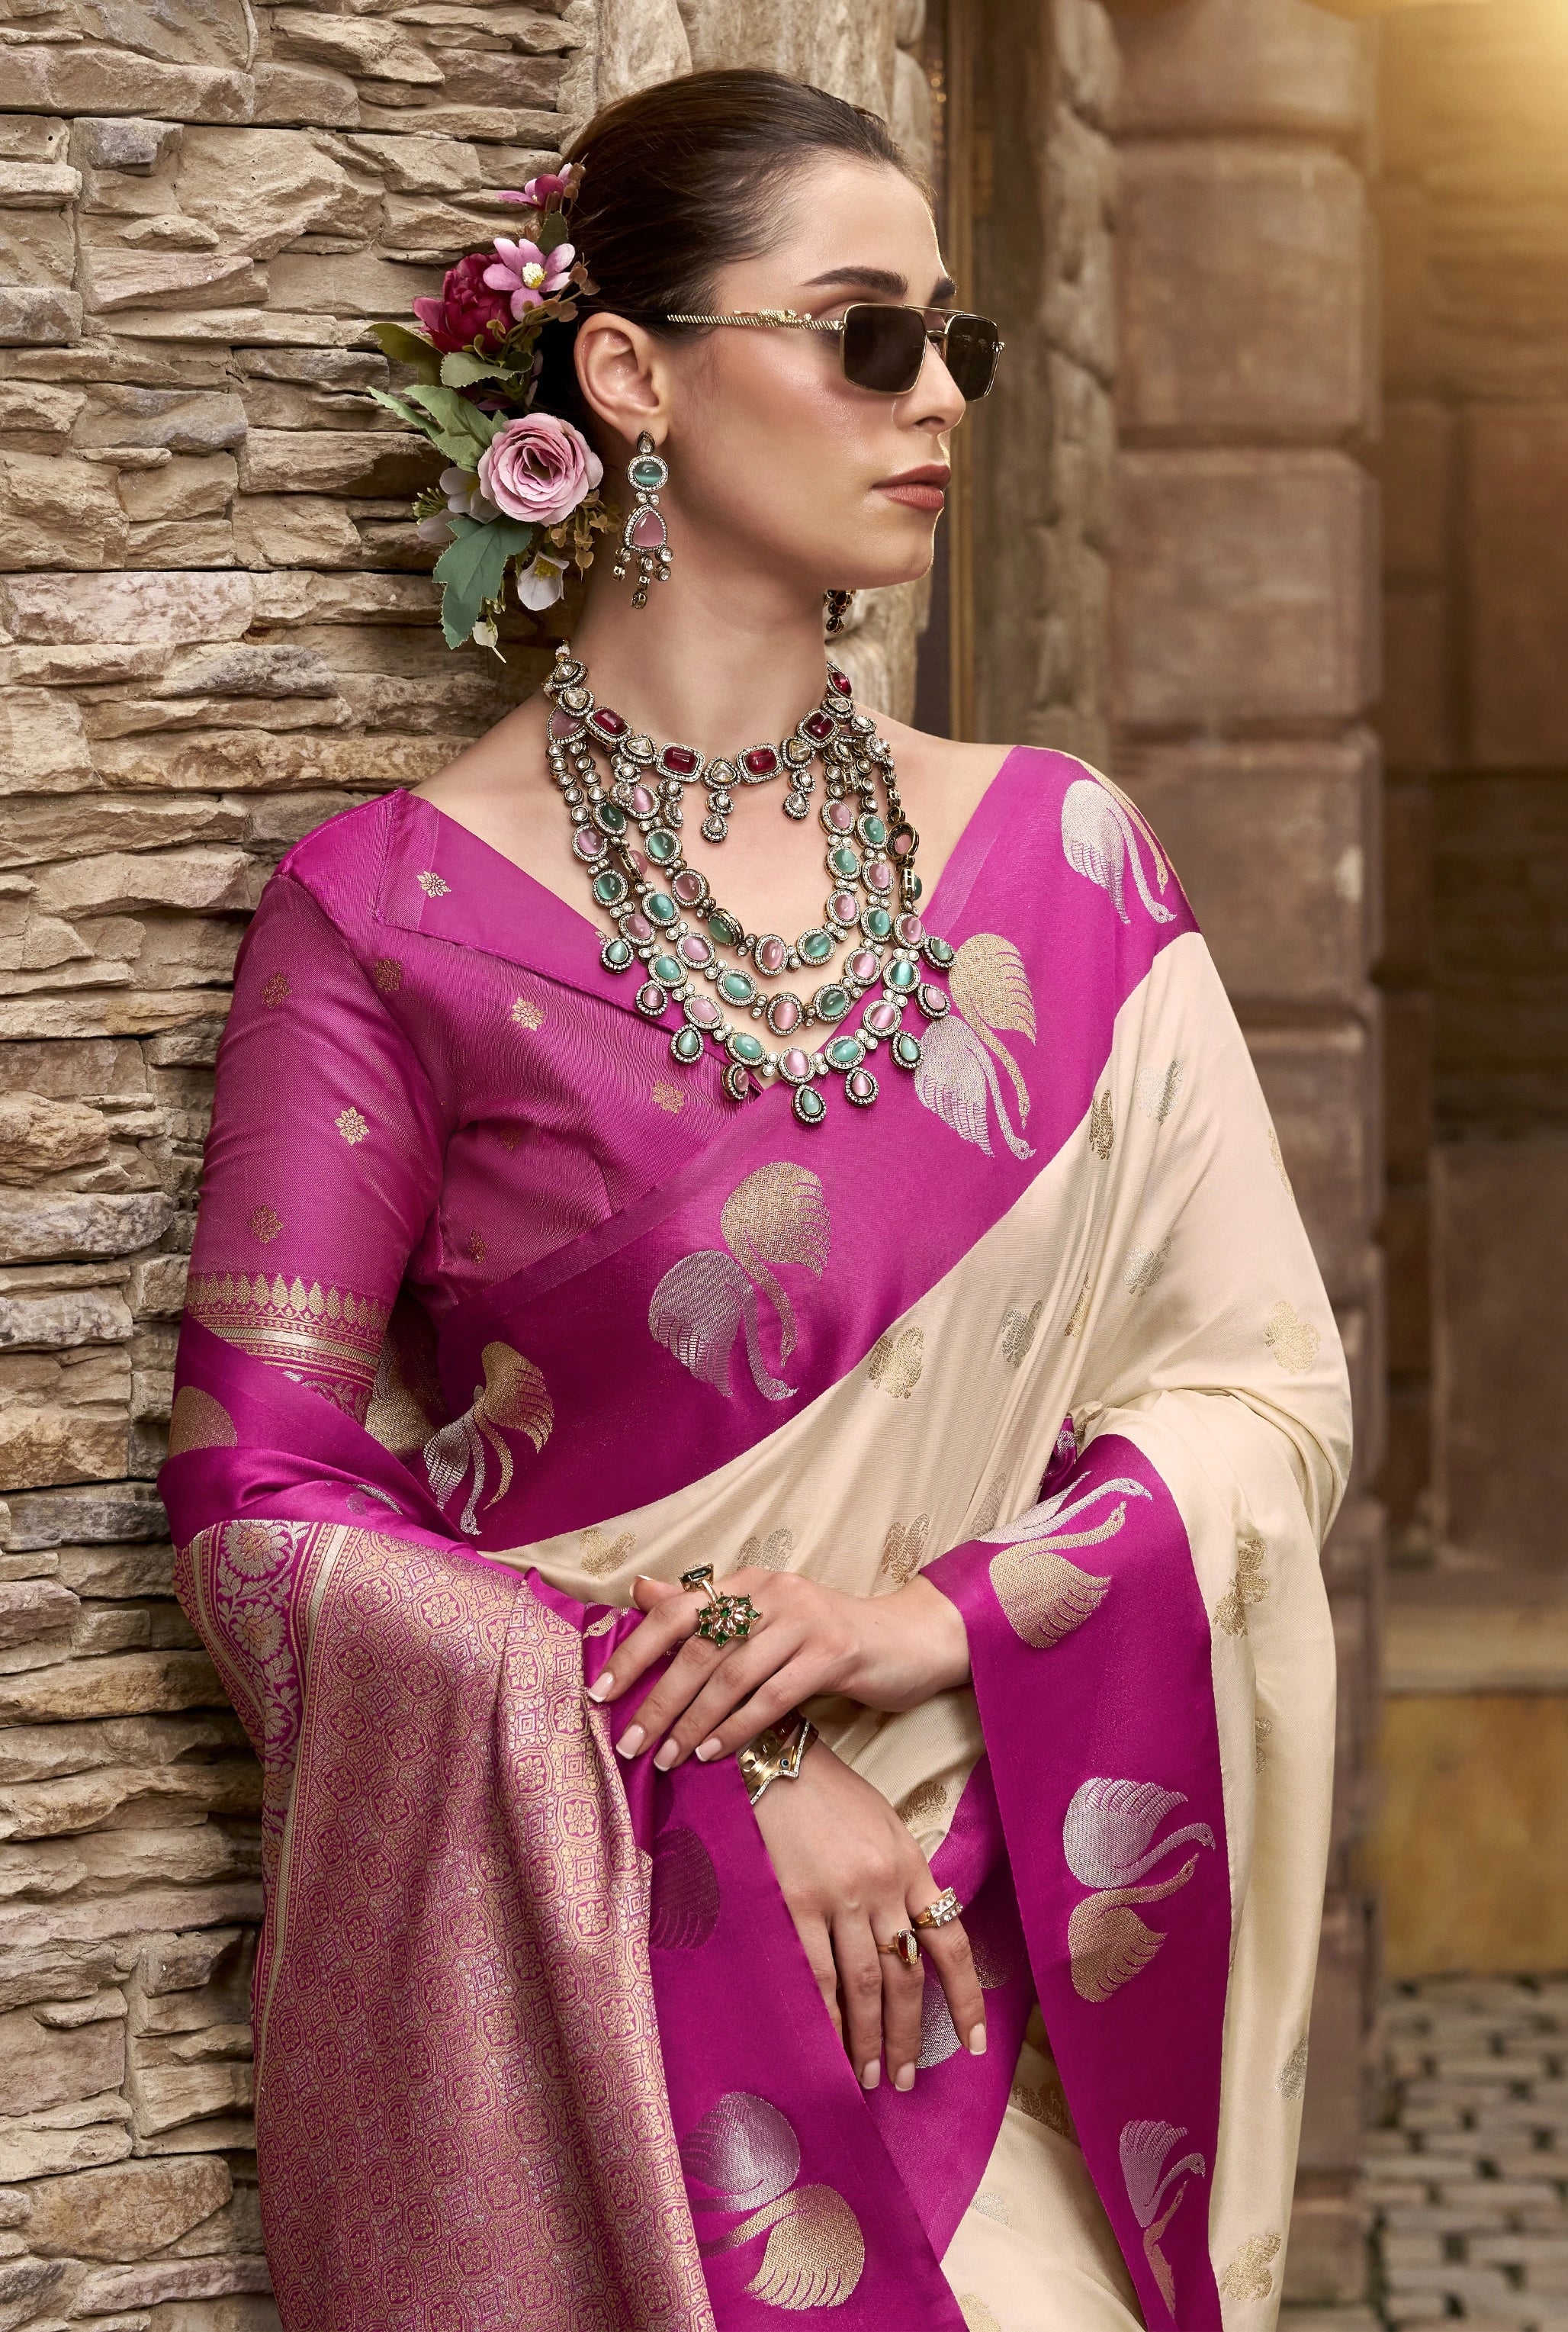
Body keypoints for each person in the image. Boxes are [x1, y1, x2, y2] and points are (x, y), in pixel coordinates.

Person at [160, 66, 1350, 2332]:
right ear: (625, 372)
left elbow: (1258, 1395)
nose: (934, 405)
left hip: (1008, 1925)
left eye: (953, 349)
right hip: (633, 1953)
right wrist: (713, 1756)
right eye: (862, 336)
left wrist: (950, 1621)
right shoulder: (388, 921)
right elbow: (256, 1499)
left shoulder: (1064, 868)